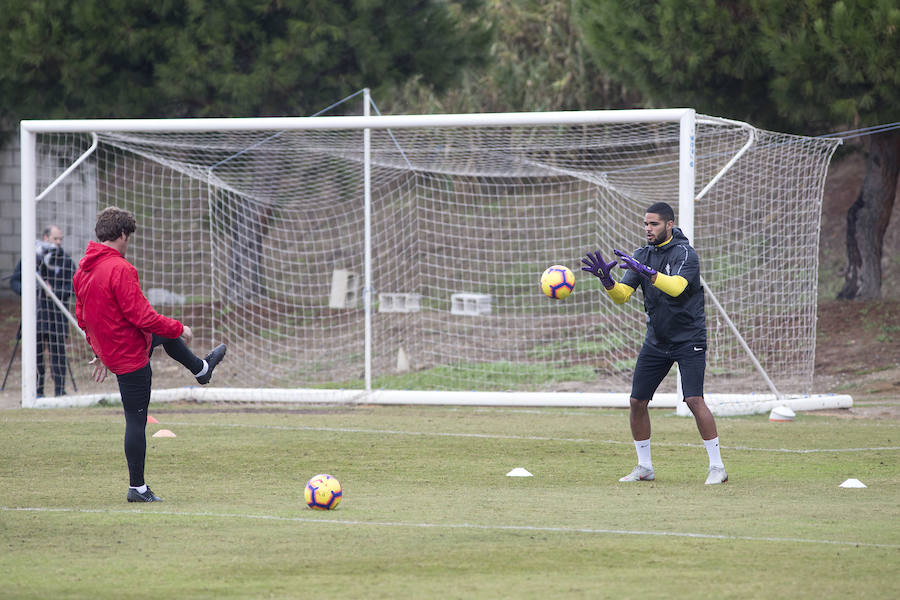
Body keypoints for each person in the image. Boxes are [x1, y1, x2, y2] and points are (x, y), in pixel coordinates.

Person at [73, 207, 227, 502]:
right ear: (121, 235)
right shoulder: (119, 268)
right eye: (129, 237)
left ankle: (201, 369)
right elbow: (142, 315)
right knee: (136, 420)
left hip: (117, 347)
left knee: (163, 335)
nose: (129, 242)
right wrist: (180, 327)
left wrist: (100, 350)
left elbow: (83, 318)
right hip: (129, 354)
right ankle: (138, 489)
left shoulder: (83, 270)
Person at [581, 202, 727, 485]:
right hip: (656, 341)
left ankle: (717, 468)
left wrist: (648, 273)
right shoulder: (642, 255)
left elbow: (677, 287)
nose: (648, 229)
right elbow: (623, 295)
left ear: (669, 224)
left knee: (694, 400)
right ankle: (644, 467)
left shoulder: (686, 253)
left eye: (654, 224)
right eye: (646, 224)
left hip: (689, 339)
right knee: (637, 401)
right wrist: (608, 282)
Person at [10, 225, 77, 397]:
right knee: (36, 355)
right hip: (36, 316)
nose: (59, 242)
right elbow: (15, 281)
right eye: (56, 239)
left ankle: (59, 390)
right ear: (46, 238)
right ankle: (37, 391)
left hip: (57, 316)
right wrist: (32, 289)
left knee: (58, 355)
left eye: (61, 239)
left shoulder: (65, 260)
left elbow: (73, 287)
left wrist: (53, 291)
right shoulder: (30, 257)